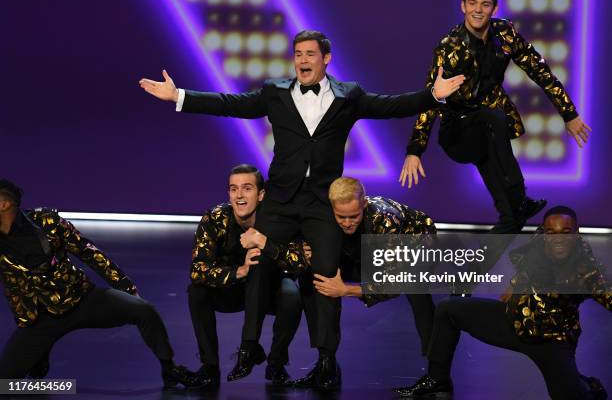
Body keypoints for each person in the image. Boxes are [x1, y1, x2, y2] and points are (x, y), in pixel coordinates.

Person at [140, 29, 464, 390]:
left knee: (324, 275)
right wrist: (179, 96)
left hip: (320, 202)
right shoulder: (274, 93)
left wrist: (433, 95)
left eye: (310, 54)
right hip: (280, 198)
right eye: (298, 54)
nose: (303, 60)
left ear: (326, 58)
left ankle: (326, 358)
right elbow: (230, 103)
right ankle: (250, 346)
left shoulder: (349, 95)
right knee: (258, 255)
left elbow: (390, 106)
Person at [399, 0, 592, 233]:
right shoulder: (450, 48)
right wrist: (415, 150)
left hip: (491, 136)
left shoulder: (505, 33)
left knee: (512, 219)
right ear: (462, 6)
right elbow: (432, 98)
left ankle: (476, 267)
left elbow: (539, 71)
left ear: (494, 8)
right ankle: (519, 195)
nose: (478, 10)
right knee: (494, 116)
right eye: (472, 3)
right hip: (459, 133)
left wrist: (569, 114)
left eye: (485, 4)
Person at [0, 179, 204, 390]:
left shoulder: (46, 222)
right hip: (41, 318)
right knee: (4, 384)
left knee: (145, 310)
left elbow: (90, 253)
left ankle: (169, 369)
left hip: (81, 298)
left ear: (4, 204)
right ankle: (46, 368)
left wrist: (127, 289)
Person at [395, 206, 611, 399]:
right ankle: (437, 379)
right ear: (544, 233)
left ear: (576, 233)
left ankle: (587, 385)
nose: (558, 239)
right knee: (448, 309)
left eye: (566, 233)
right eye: (551, 232)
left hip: (550, 341)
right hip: (513, 321)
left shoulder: (588, 270)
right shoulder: (539, 243)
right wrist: (515, 285)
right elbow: (527, 264)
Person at [187, 164, 307, 387]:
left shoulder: (278, 220)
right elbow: (197, 269)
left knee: (291, 294)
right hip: (233, 288)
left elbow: (299, 261)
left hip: (269, 289)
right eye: (233, 189)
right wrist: (237, 272)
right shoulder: (215, 218)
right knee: (197, 291)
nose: (239, 195)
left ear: (261, 195)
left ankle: (275, 363)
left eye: (247, 188)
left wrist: (266, 244)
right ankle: (210, 367)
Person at [303, 176, 436, 365]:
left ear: (364, 204)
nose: (347, 222)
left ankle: (436, 366)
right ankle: (326, 359)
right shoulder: (324, 216)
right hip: (364, 246)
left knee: (415, 288)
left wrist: (346, 290)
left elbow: (393, 285)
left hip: (415, 242)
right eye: (341, 217)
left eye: (353, 216)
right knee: (324, 271)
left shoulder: (386, 219)